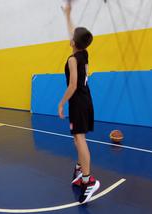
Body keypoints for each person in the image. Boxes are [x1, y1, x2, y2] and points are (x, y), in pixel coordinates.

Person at [59, 0, 100, 204]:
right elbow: (74, 34)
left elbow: (73, 85)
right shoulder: (83, 53)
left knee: (80, 139)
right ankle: (80, 170)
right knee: (77, 139)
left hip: (78, 101)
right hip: (85, 101)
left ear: (74, 42)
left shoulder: (72, 59)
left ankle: (88, 180)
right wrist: (67, 14)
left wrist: (60, 103)